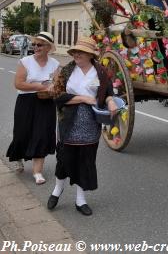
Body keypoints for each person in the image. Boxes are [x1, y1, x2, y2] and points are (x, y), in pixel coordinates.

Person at [47, 37, 117, 216]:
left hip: (91, 122)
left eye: (81, 52)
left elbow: (107, 94)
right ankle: (57, 189)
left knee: (85, 161)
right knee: (64, 158)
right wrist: (82, 98)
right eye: (75, 52)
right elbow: (57, 96)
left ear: (89, 55)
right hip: (68, 121)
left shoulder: (100, 72)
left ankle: (80, 199)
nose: (76, 54)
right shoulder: (68, 70)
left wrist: (110, 103)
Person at [6, 32, 59, 184]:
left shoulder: (54, 63)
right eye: (34, 44)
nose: (36, 47)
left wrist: (54, 87)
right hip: (26, 101)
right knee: (22, 133)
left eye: (40, 44)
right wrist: (38, 85)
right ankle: (18, 157)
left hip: (46, 102)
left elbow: (56, 83)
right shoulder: (25, 61)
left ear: (48, 47)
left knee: (42, 134)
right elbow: (18, 84)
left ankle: (37, 172)